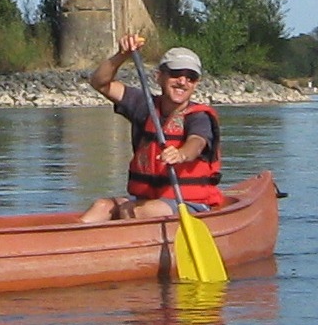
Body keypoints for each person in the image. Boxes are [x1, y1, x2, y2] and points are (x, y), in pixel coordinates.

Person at [79, 34, 224, 223]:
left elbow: (196, 142)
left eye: (191, 77)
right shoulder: (143, 106)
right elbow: (100, 83)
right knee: (102, 206)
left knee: (132, 211)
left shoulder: (199, 117)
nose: (183, 81)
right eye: (175, 74)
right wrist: (122, 55)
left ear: (196, 83)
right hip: (147, 199)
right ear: (159, 77)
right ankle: (71, 240)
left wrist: (180, 154)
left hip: (189, 203)